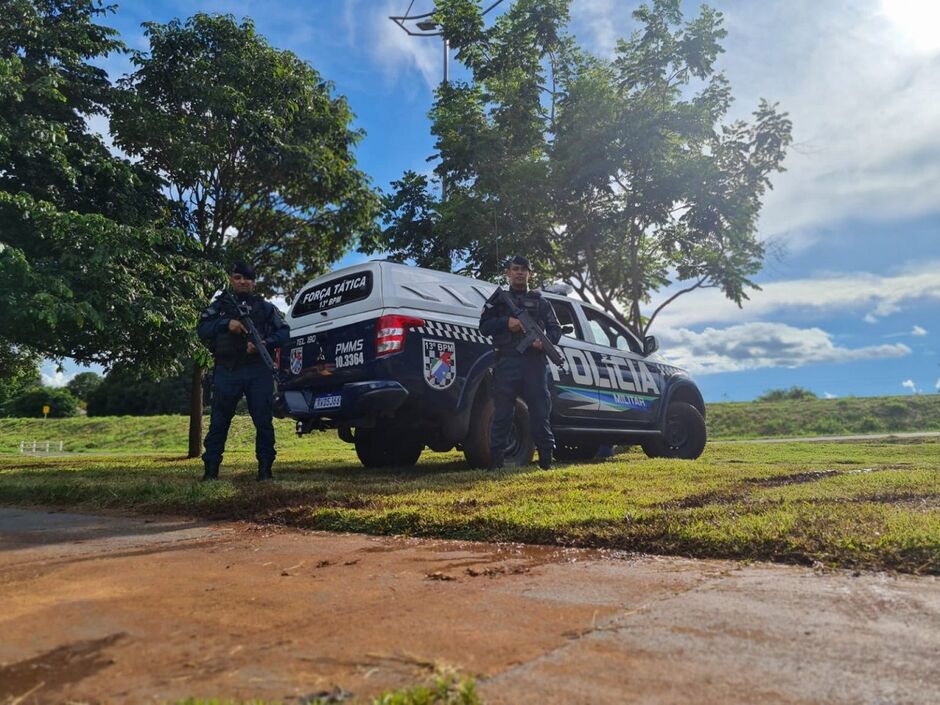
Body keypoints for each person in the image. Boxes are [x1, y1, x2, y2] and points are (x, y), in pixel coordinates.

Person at [197, 262, 290, 481]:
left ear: (254, 282)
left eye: (247, 278)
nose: (242, 282)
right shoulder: (219, 305)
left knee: (263, 421)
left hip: (258, 370)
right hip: (227, 370)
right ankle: (211, 471)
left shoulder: (265, 307)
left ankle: (265, 470)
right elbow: (201, 329)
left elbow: (285, 332)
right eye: (238, 277)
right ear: (231, 279)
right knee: (219, 421)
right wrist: (226, 324)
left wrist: (264, 343)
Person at [479, 255, 562, 470]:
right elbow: (484, 326)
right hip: (506, 361)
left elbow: (555, 330)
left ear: (529, 274)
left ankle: (546, 459)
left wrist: (542, 343)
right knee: (503, 412)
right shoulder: (498, 300)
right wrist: (507, 322)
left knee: (540, 411)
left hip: (534, 364)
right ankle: (496, 462)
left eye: (523, 270)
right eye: (515, 269)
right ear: (508, 273)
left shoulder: (541, 302)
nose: (519, 273)